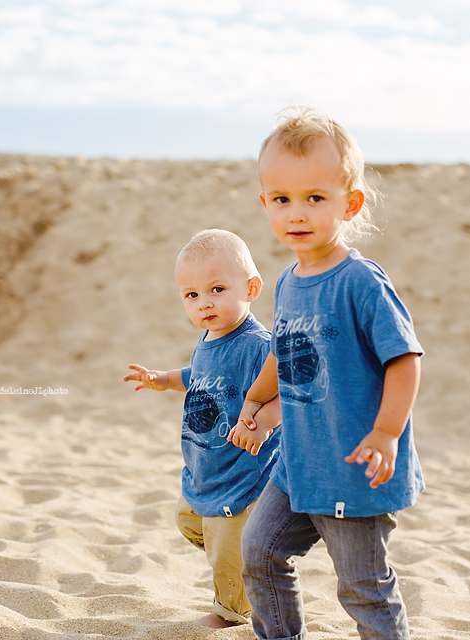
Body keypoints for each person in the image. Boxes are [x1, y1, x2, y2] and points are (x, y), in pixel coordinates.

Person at [231, 106, 424, 640]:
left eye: (315, 198)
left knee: (363, 587)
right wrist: (255, 401)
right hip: (296, 465)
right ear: (265, 203)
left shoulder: (360, 282)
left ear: (350, 203)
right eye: (282, 199)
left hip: (352, 469)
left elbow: (404, 360)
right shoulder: (289, 282)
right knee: (261, 555)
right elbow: (284, 351)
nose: (298, 212)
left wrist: (386, 432)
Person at [123, 229, 282, 629]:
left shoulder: (258, 345)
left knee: (230, 548)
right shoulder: (210, 337)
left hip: (243, 473)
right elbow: (200, 374)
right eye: (191, 295)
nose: (204, 302)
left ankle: (231, 615)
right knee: (188, 520)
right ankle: (242, 559)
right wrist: (165, 378)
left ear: (251, 288)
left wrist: (263, 424)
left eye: (216, 289)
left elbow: (292, 388)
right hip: (205, 467)